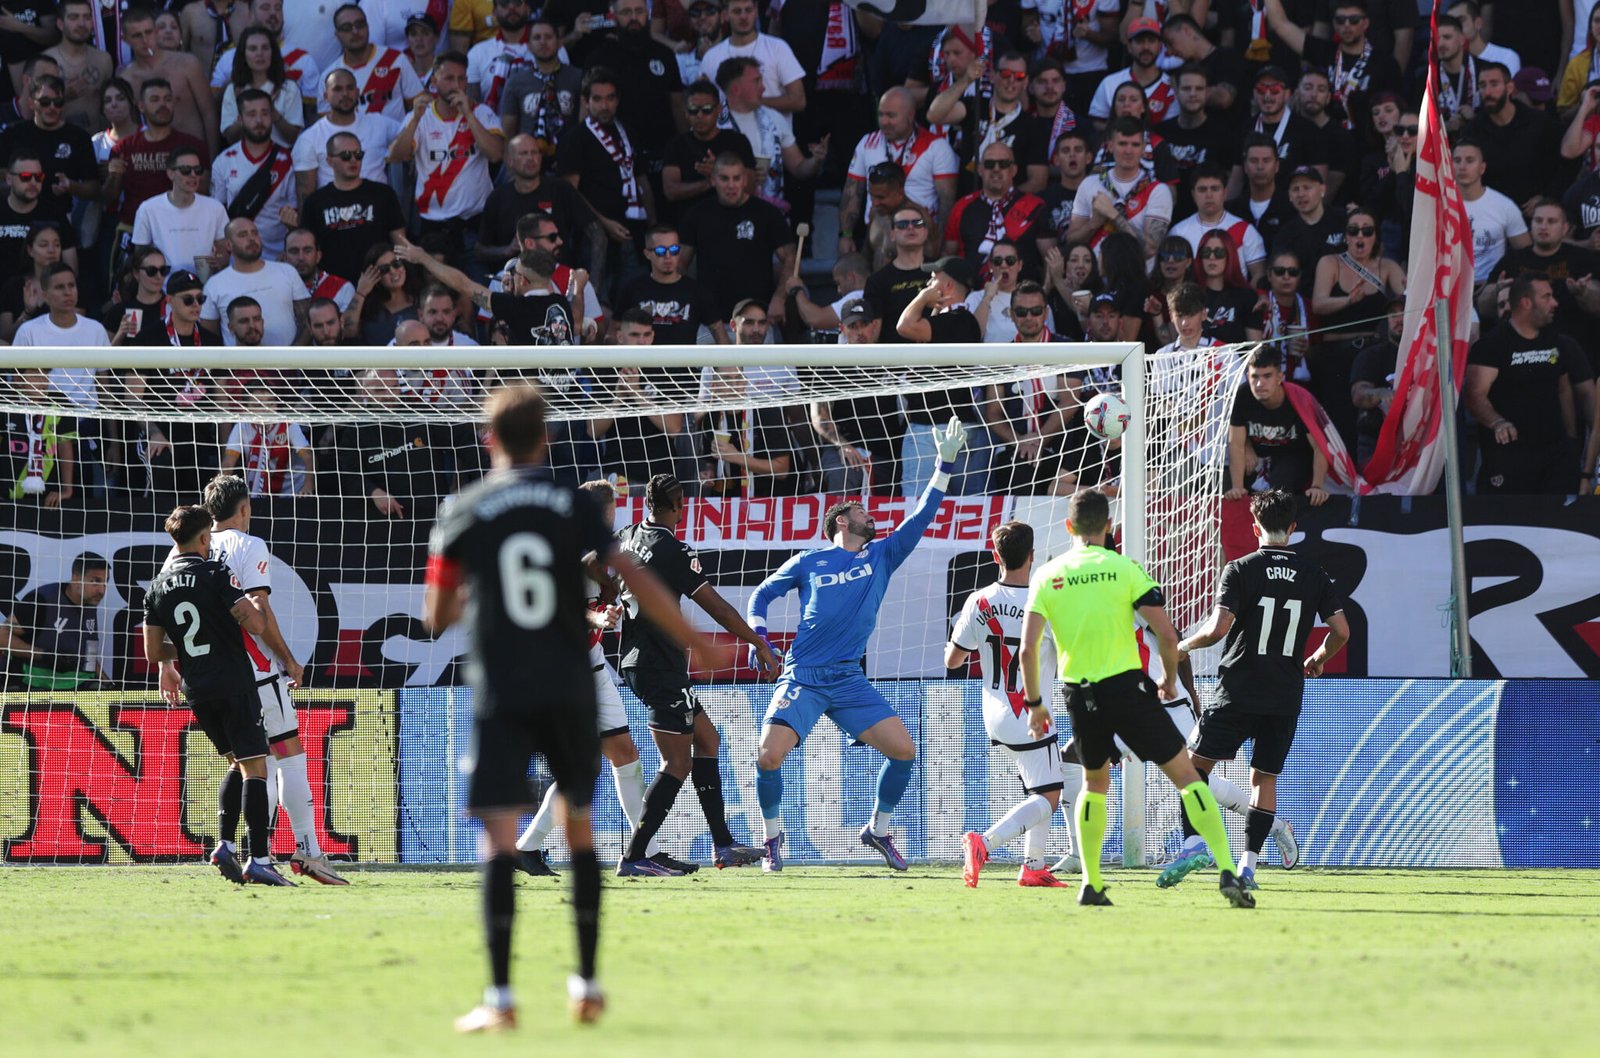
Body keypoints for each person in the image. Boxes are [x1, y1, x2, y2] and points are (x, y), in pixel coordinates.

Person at [422, 385, 729, 1030]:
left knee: (498, 845)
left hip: (502, 684)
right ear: (546, 439)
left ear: (489, 440)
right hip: (567, 678)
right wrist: (696, 638)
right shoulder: (571, 504)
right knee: (583, 837)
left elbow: (437, 616)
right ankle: (587, 986)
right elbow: (632, 574)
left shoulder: (464, 507)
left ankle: (499, 1000)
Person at [748, 416, 967, 873]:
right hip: (804, 676)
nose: (874, 519)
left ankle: (878, 830)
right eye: (865, 515)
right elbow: (760, 595)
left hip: (848, 679)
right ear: (843, 521)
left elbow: (923, 514)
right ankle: (772, 840)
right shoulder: (810, 560)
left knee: (905, 751)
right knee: (767, 756)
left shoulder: (883, 554)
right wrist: (760, 637)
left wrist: (943, 466)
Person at [1017, 488, 1254, 908]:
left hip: (1079, 695)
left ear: (1068, 526)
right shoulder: (1125, 569)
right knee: (1185, 776)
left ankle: (1091, 883)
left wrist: (1036, 704)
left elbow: (1029, 649)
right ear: (1110, 527)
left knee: (1093, 784)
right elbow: (1166, 634)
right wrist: (1166, 680)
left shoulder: (1047, 575)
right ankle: (1225, 869)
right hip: (1127, 690)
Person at [158, 474, 346, 883]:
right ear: (243, 509)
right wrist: (288, 660)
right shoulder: (248, 545)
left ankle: (238, 847)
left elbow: (165, 614)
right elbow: (258, 612)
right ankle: (307, 851)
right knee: (288, 758)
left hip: (203, 676)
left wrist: (165, 667)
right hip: (255, 672)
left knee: (250, 765)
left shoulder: (179, 554)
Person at [1171, 489, 1349, 891]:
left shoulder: (1240, 568)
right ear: (1293, 529)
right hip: (1284, 694)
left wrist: (1181, 646)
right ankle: (1249, 867)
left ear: (1254, 528)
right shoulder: (1314, 573)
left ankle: (1195, 842)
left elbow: (1217, 630)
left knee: (1191, 768)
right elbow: (1341, 631)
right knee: (1263, 780)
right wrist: (1318, 657)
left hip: (1237, 689)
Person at [613, 472, 777, 874]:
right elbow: (715, 606)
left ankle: (722, 844)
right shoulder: (672, 548)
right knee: (676, 765)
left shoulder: (626, 536)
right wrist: (756, 641)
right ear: (674, 506)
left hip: (640, 660)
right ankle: (634, 856)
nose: (683, 512)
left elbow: (596, 570)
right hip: (658, 664)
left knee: (708, 739)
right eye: (682, 505)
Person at [513, 478, 664, 876]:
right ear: (605, 511)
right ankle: (528, 848)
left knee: (624, 756)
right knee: (583, 766)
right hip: (561, 672)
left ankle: (639, 848)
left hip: (593, 667)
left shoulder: (603, 553)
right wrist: (598, 615)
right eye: (614, 508)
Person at [143, 504, 289, 887]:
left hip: (197, 688)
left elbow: (154, 653)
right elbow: (256, 624)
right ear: (205, 537)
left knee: (236, 765)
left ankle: (224, 844)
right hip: (233, 682)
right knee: (257, 768)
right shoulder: (216, 572)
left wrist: (192, 651)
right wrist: (255, 607)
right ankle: (258, 859)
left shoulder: (155, 588)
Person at [949, 521, 1072, 888]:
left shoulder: (978, 600)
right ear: (1033, 557)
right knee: (1049, 796)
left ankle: (1033, 866)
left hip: (994, 711)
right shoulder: (1045, 601)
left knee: (1041, 785)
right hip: (1029, 710)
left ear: (995, 556)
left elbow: (954, 661)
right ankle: (983, 843)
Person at [1465, 275, 1583, 495]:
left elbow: (1563, 389)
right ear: (1526, 302)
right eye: (1547, 297)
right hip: (1509, 456)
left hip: (1555, 456)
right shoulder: (1492, 345)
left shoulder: (1554, 340)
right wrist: (1497, 422)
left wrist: (1571, 439)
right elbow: (1474, 394)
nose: (1554, 303)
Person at [389, 51, 505, 257]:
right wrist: (415, 120)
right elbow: (396, 156)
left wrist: (468, 114)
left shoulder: (482, 113)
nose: (456, 85)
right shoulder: (420, 116)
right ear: (434, 80)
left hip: (475, 223)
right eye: (449, 78)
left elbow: (496, 154)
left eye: (461, 79)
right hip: (433, 225)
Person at [679, 153, 795, 325]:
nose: (731, 185)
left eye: (736, 178)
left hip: (757, 321)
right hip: (710, 322)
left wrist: (779, 298)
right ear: (713, 180)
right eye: (724, 178)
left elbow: (791, 259)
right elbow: (679, 264)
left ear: (745, 180)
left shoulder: (767, 213)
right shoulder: (697, 215)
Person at [840, 86, 960, 243]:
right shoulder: (867, 143)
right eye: (881, 114)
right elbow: (852, 191)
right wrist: (845, 236)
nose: (884, 121)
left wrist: (941, 243)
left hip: (921, 233)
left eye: (891, 116)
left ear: (910, 116)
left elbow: (947, 201)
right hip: (876, 233)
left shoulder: (937, 147)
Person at [298, 129, 408, 282]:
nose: (352, 160)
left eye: (358, 155)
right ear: (329, 161)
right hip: (336, 290)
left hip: (380, 286)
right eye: (345, 156)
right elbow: (308, 249)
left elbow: (401, 246)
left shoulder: (383, 194)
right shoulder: (315, 202)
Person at [1228, 344, 1331, 507]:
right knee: (1230, 488)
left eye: (1267, 376)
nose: (1260, 384)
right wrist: (1237, 488)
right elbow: (1235, 444)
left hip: (1294, 457)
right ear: (1248, 377)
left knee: (1279, 487)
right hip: (1259, 458)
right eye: (1255, 377)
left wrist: (1317, 486)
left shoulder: (1298, 400)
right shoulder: (1242, 395)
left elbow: (1320, 446)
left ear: (1280, 377)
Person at [1066, 115, 1173, 260]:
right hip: (1095, 278)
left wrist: (1114, 215)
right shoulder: (1090, 183)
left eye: (1135, 145)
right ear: (1110, 146)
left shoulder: (1158, 191)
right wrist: (1093, 224)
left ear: (1143, 148)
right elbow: (1071, 242)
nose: (1128, 151)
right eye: (1122, 143)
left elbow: (1149, 250)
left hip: (1137, 279)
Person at [116, 7, 221, 155]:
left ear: (156, 32)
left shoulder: (187, 64)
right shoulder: (126, 79)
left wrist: (212, 160)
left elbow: (209, 113)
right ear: (125, 39)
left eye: (149, 32)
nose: (145, 40)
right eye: (137, 35)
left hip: (193, 154)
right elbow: (130, 127)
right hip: (155, 160)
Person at [941, 140, 1053, 277]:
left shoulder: (1036, 206)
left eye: (1003, 164)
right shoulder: (961, 207)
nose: (996, 169)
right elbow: (948, 255)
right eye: (989, 164)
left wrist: (1044, 292)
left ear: (1014, 170)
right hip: (972, 295)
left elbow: (1051, 259)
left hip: (1021, 295)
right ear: (980, 169)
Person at [209, 90, 299, 260]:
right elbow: (216, 217)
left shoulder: (289, 161)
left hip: (278, 259)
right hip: (237, 261)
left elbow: (297, 215)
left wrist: (293, 228)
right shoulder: (223, 162)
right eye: (251, 114)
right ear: (240, 119)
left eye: (265, 113)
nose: (259, 121)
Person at [2, 553, 109, 690]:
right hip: (36, 685)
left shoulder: (90, 603)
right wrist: (44, 656)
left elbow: (90, 657)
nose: (102, 590)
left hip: (78, 685)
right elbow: (2, 637)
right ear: (76, 579)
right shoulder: (42, 599)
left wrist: (108, 683)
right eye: (95, 581)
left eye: (105, 582)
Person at [200, 217, 309, 346]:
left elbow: (308, 321)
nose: (251, 238)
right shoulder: (215, 285)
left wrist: (293, 359)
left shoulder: (287, 272)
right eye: (243, 235)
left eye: (255, 233)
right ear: (228, 245)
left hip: (290, 363)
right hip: (240, 365)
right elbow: (208, 335)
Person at [292, 69, 401, 198]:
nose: (345, 94)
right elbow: (306, 197)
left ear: (357, 92)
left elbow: (416, 134)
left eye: (349, 88)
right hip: (333, 214)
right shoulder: (309, 138)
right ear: (326, 96)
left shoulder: (380, 124)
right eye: (337, 89)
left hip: (378, 211)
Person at [129, 145, 230, 274]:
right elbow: (141, 257)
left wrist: (219, 260)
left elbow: (224, 252)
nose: (193, 175)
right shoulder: (148, 209)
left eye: (197, 170)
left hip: (204, 285)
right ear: (170, 173)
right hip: (164, 286)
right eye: (185, 170)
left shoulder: (215, 208)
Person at [326, 3, 425, 121]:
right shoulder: (329, 77)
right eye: (347, 28)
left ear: (368, 26)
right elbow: (328, 127)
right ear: (337, 35)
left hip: (397, 138)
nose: (355, 31)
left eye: (360, 24)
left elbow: (421, 106)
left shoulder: (396, 60)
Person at [1171, 164, 1266, 283]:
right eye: (1202, 189)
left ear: (1225, 192)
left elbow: (1259, 274)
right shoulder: (1178, 232)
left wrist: (1246, 300)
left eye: (1215, 189)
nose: (1209, 195)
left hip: (1235, 299)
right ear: (1193, 194)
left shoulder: (1246, 230)